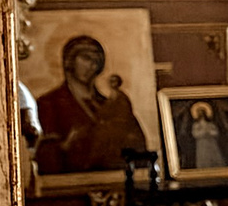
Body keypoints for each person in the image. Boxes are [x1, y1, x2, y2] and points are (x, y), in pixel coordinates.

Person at [32, 34, 150, 175]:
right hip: (71, 184)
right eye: (86, 58)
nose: (92, 66)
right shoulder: (49, 103)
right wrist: (66, 145)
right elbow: (42, 154)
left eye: (96, 61)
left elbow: (138, 147)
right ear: (69, 61)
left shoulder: (112, 105)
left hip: (115, 180)